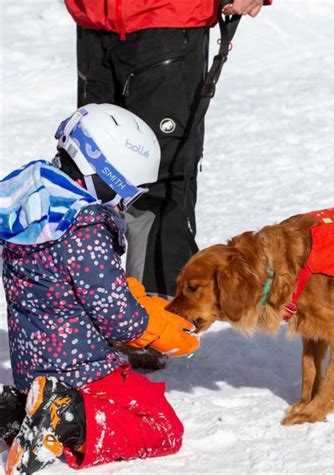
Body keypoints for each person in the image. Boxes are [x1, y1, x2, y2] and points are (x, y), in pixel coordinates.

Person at [0, 104, 200, 474]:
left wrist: (128, 291)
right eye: (129, 190)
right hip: (81, 370)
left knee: (137, 394)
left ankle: (16, 409)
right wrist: (156, 328)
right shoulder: (85, 228)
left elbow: (62, 279)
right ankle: (63, 415)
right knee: (162, 427)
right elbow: (119, 321)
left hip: (31, 367)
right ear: (107, 174)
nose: (125, 201)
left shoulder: (27, 198)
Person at [64, 0, 272, 296]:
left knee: (159, 181)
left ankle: (158, 321)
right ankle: (94, 316)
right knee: (88, 174)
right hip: (93, 21)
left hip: (168, 22)